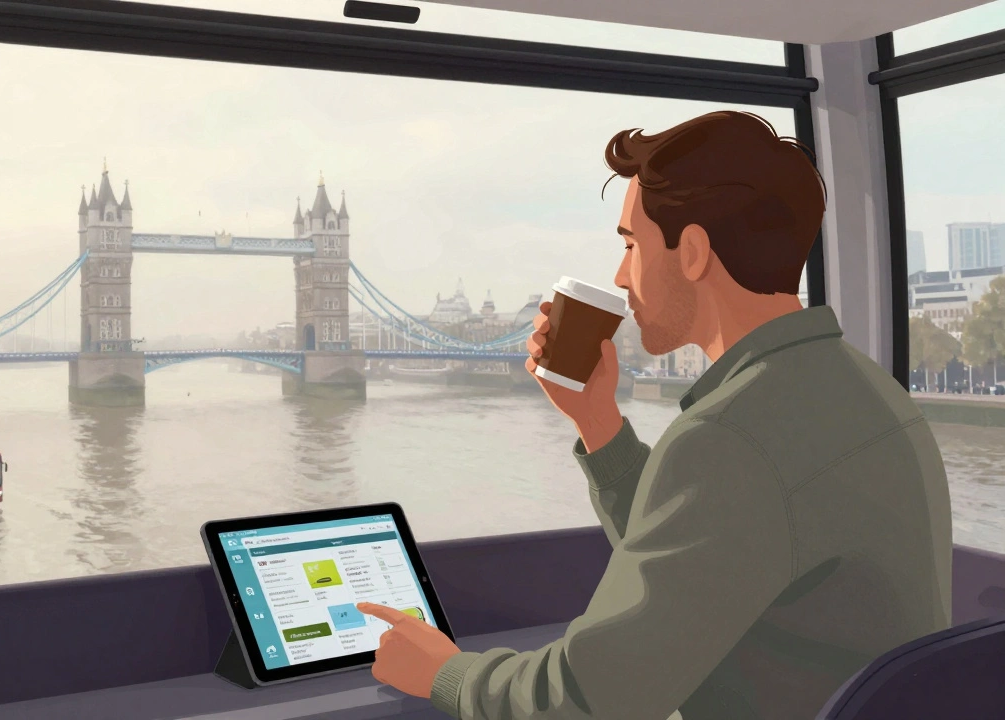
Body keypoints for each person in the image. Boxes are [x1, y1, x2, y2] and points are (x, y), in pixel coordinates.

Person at [357, 111, 952, 720]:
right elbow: (713, 558)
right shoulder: (866, 390)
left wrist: (444, 673)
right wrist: (598, 423)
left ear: (692, 252)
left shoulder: (728, 436)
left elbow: (588, 698)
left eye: (630, 244)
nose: (621, 275)